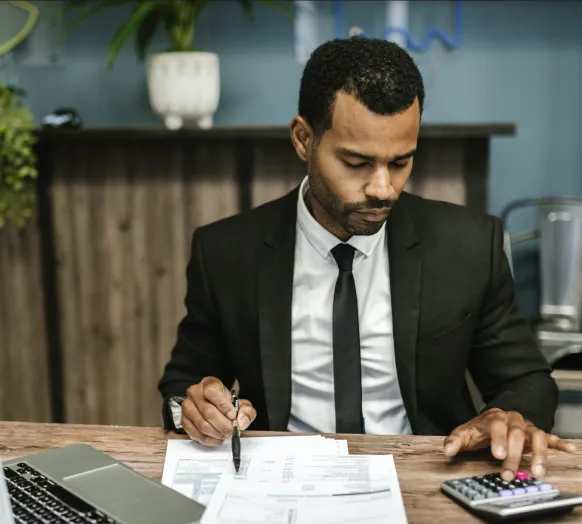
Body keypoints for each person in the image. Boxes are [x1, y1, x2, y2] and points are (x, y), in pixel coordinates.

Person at [158, 36, 575, 482]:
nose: (382, 188)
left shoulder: (469, 245)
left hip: (428, 476)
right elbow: (184, 387)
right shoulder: (226, 252)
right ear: (303, 139)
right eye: (356, 162)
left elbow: (528, 380)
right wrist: (195, 409)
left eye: (400, 162)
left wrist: (507, 414)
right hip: (279, 481)